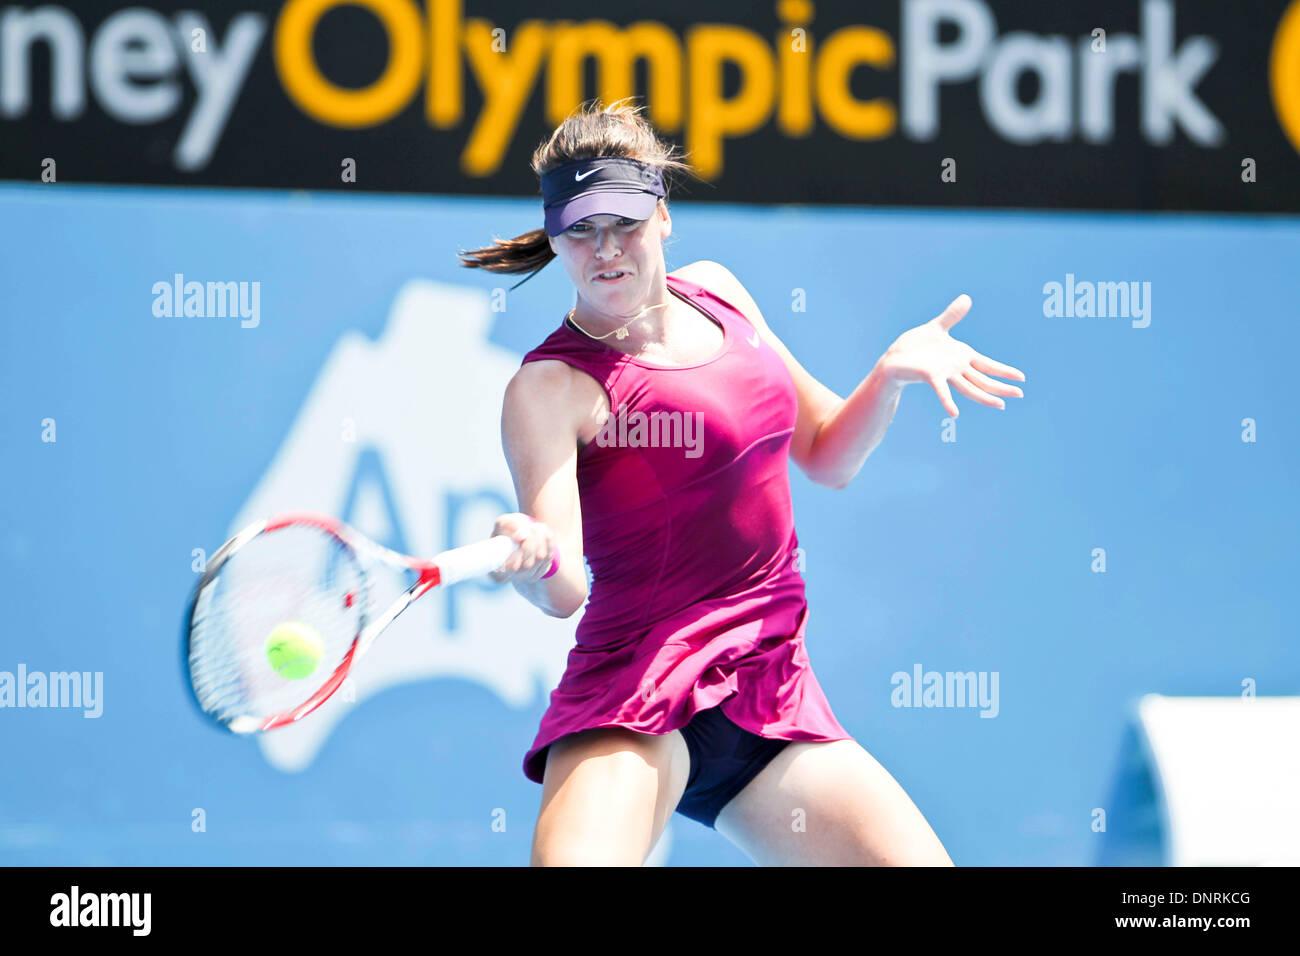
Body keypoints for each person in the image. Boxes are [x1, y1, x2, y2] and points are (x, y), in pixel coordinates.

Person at [458, 99, 1025, 866]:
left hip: (770, 695)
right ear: (555, 234)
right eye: (579, 229)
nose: (604, 249)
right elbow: (564, 589)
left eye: (623, 222)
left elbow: (826, 452)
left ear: (663, 215)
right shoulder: (548, 388)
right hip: (635, 699)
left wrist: (888, 375)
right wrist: (533, 555)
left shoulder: (722, 294)